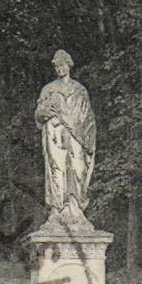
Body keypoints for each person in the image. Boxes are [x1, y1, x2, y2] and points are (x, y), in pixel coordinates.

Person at [35, 49, 96, 226]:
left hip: (76, 135)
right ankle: (56, 208)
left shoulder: (79, 90)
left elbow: (88, 116)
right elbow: (38, 113)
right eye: (57, 66)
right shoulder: (49, 89)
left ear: (69, 66)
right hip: (55, 133)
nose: (60, 69)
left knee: (77, 168)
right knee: (56, 167)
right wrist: (45, 112)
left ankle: (74, 205)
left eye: (63, 65)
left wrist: (88, 139)